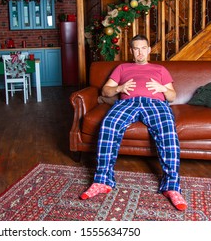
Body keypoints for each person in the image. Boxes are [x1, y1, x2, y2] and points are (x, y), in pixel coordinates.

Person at [80, 34, 187, 211]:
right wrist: (120, 88)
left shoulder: (160, 69)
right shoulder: (122, 68)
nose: (140, 52)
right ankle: (102, 181)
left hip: (155, 103)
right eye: (136, 48)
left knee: (168, 130)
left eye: (143, 48)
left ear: (149, 50)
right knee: (108, 125)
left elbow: (172, 96)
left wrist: (162, 89)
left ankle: (172, 187)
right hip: (127, 102)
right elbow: (106, 91)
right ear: (131, 50)